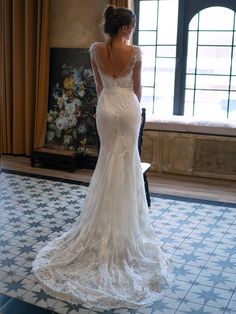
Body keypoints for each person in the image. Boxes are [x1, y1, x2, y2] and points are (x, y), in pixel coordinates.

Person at [32, 5, 171, 311]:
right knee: (127, 164)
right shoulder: (136, 53)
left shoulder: (95, 50)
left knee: (107, 161)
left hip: (106, 107)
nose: (132, 32)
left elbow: (98, 86)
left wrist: (107, 102)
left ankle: (101, 224)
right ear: (124, 29)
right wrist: (131, 108)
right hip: (129, 109)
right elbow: (138, 91)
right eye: (131, 27)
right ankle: (124, 231)